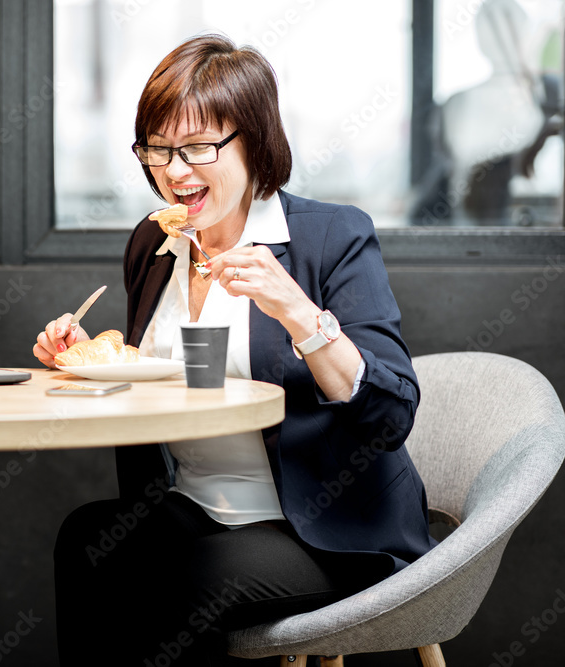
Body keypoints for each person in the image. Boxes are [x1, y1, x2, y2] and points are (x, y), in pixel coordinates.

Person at [33, 34, 435, 666]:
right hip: (194, 504)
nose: (174, 170)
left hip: (321, 527)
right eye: (158, 149)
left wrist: (300, 313)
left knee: (189, 580)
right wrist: (92, 358)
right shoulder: (153, 243)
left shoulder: (330, 238)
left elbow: (390, 413)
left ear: (254, 140)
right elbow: (163, 380)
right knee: (87, 540)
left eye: (198, 147)